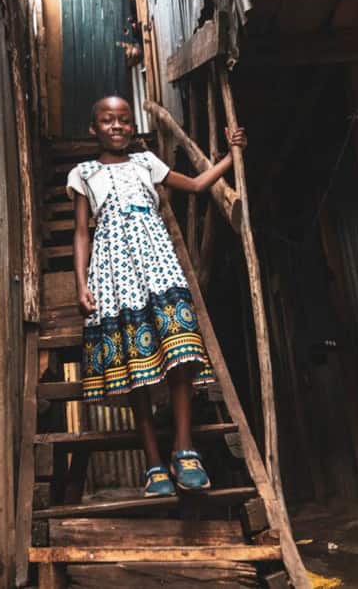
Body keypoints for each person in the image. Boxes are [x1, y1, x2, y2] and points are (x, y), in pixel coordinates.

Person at [66, 95, 246, 497]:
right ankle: (153, 463)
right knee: (136, 372)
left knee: (180, 354)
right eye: (108, 121)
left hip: (159, 266)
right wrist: (81, 284)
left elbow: (198, 185)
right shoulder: (82, 174)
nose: (117, 127)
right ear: (94, 129)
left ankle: (184, 450)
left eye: (125, 121)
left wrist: (231, 156)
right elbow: (81, 233)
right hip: (114, 276)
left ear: (133, 127)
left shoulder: (147, 162)